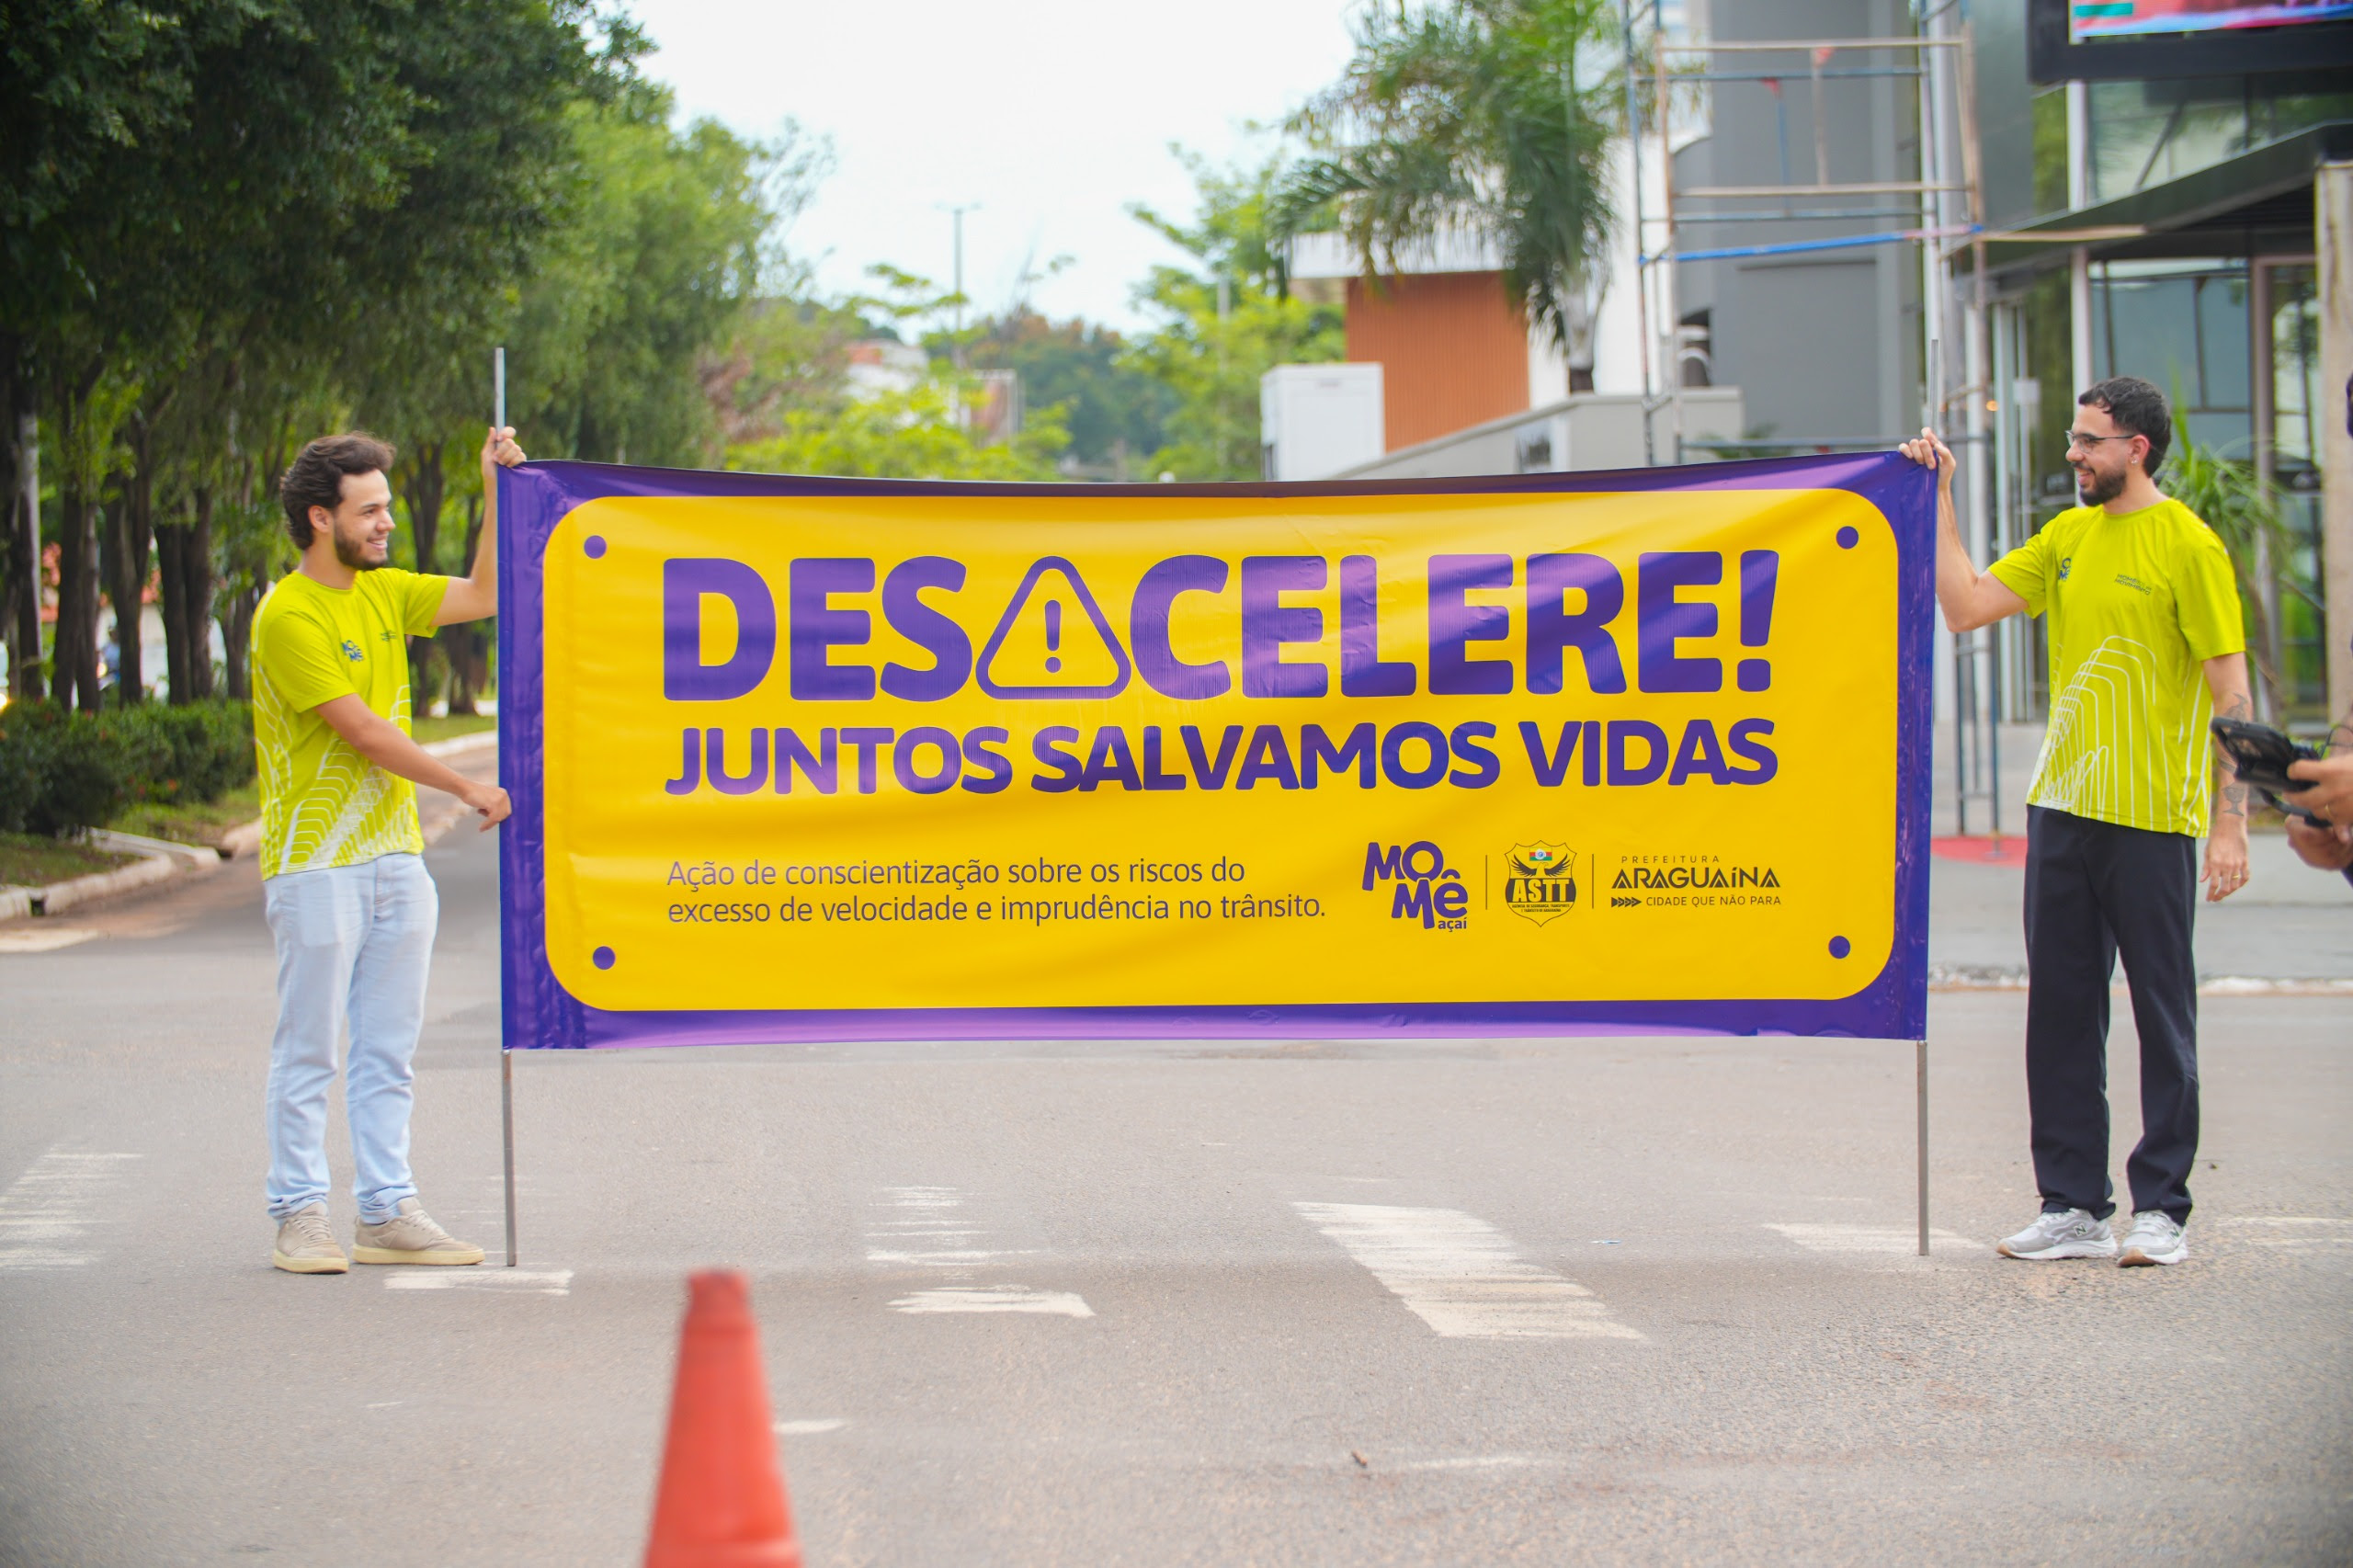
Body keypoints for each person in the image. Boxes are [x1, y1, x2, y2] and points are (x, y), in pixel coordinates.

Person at [1902, 376, 2250, 1269]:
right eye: (2072, 437)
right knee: (2060, 1011)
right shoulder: (2065, 537)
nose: (2072, 454)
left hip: (2152, 817)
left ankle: (2160, 1207)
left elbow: (2231, 691)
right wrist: (1936, 498)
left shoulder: (2189, 545)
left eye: (2087, 440)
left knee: (2162, 1012)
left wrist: (2231, 822)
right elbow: (1965, 604)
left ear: (2135, 447)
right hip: (2061, 808)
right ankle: (2071, 1205)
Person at [255, 426, 524, 1274]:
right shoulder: (286, 614)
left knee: (386, 1050)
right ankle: (299, 1213)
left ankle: (385, 1209)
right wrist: (466, 787)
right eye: (369, 511)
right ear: (318, 518)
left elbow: (484, 592)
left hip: (394, 858)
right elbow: (364, 733)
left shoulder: (386, 594)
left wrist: (493, 486)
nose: (386, 524)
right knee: (310, 1050)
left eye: (387, 508)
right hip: (314, 863)